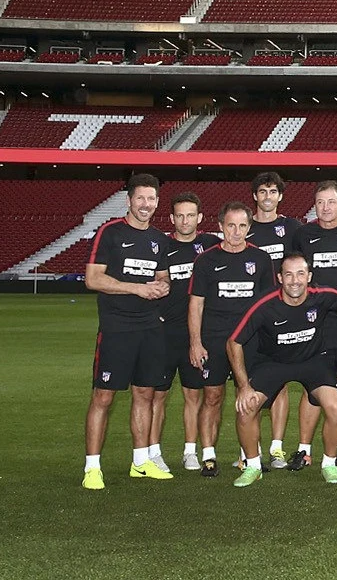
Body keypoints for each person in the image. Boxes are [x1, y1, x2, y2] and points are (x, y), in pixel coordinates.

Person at [225, 254, 337, 487]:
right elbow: (233, 342)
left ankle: (329, 464)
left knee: (336, 406)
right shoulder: (264, 304)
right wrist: (244, 387)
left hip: (313, 361)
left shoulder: (321, 297)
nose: (295, 280)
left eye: (301, 274)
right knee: (245, 408)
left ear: (309, 277)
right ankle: (252, 466)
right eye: (289, 274)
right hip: (273, 362)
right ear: (280, 277)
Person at [81, 173, 172, 490]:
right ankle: (92, 467)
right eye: (141, 198)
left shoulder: (159, 240)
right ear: (129, 200)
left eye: (152, 199)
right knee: (103, 396)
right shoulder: (110, 233)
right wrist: (136, 289)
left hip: (149, 326)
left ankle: (141, 462)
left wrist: (160, 288)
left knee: (145, 394)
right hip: (117, 327)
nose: (146, 204)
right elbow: (92, 279)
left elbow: (163, 279)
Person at [186, 201, 276, 478]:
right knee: (212, 396)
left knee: (248, 397)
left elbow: (267, 305)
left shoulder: (261, 260)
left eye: (242, 226)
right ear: (220, 226)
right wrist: (195, 342)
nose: (236, 232)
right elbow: (196, 304)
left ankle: (247, 456)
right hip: (214, 339)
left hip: (250, 341)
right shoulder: (206, 260)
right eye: (231, 225)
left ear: (249, 228)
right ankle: (209, 455)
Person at [295, 180, 337, 468]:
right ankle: (303, 448)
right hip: (315, 321)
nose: (325, 208)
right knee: (313, 385)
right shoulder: (303, 234)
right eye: (320, 202)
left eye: (331, 202)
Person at [153, 191, 215, 472]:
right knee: (157, 395)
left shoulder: (211, 245)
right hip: (165, 332)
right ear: (171, 218)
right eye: (180, 215)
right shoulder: (163, 246)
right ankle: (153, 452)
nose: (185, 220)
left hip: (197, 336)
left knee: (194, 395)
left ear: (200, 218)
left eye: (191, 215)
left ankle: (190, 451)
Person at [246, 171, 304, 469]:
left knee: (280, 384)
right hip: (252, 319)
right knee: (249, 384)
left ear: (280, 196)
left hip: (285, 316)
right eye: (262, 192)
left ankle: (277, 448)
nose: (267, 197)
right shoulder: (243, 227)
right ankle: (249, 452)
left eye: (273, 192)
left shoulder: (292, 228)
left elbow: (319, 243)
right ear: (255, 196)